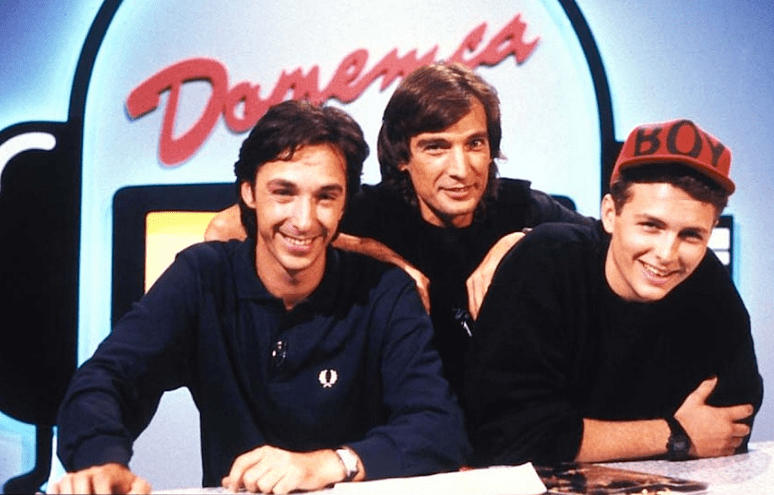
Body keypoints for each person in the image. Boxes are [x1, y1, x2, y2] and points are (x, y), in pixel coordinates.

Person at [52, 100, 469, 494]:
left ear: (345, 204)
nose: (303, 221)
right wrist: (100, 461)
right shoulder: (203, 277)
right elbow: (108, 378)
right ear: (249, 193)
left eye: (325, 196)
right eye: (284, 192)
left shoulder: (385, 291)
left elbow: (438, 427)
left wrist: (328, 463)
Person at [206, 62, 593, 394]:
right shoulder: (371, 211)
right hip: (408, 426)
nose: (461, 169)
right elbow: (223, 228)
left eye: (475, 144)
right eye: (436, 147)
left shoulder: (520, 207)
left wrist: (520, 243)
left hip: (507, 427)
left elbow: (606, 240)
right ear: (401, 155)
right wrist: (372, 251)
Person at [464, 119, 764, 466]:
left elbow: (727, 429)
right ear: (610, 214)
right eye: (651, 225)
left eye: (691, 235)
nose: (667, 254)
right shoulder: (547, 261)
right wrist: (674, 434)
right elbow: (506, 438)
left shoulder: (709, 284)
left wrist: (575, 436)